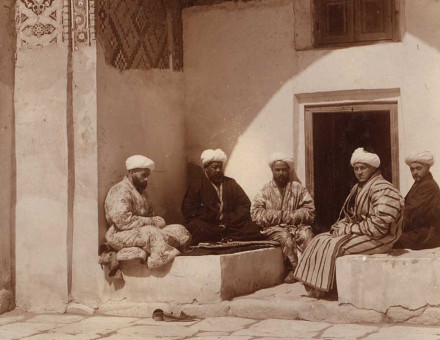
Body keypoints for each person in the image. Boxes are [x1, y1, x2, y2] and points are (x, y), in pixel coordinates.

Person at [294, 148, 404, 298]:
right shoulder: (359, 188)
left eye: (363, 168)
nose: (359, 172)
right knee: (320, 239)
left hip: (382, 238)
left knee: (334, 245)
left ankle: (325, 289)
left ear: (373, 168)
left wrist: (349, 228)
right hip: (365, 233)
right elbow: (352, 215)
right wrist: (341, 225)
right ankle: (314, 287)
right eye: (356, 168)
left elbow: (379, 228)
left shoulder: (383, 189)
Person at [104, 155, 191, 269]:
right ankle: (155, 262)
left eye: (147, 176)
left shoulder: (143, 194)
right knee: (153, 233)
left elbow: (153, 216)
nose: (146, 179)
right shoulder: (119, 190)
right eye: (143, 175)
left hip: (143, 230)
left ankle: (154, 251)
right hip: (120, 233)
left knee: (180, 230)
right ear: (132, 172)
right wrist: (152, 222)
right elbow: (123, 221)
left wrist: (156, 221)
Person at [251, 152, 315, 283]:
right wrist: (278, 216)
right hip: (272, 229)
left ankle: (311, 270)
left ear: (289, 170)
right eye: (277, 170)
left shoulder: (298, 188)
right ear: (272, 171)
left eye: (284, 170)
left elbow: (310, 211)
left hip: (295, 226)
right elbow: (255, 213)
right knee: (284, 236)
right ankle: (295, 270)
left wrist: (291, 217)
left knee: (307, 233)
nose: (281, 173)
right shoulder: (265, 190)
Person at [182, 148, 263, 245]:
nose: (218, 170)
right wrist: (214, 216)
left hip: (229, 224)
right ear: (206, 168)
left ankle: (223, 237)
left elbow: (244, 205)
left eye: (220, 167)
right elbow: (188, 209)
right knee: (197, 227)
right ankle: (224, 237)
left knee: (252, 228)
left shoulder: (231, 183)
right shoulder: (197, 184)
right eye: (215, 167)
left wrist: (228, 218)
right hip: (210, 224)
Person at [395, 151, 440, 250]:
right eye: (412, 169)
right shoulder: (420, 183)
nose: (415, 172)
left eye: (418, 168)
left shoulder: (429, 186)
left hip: (426, 235)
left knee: (388, 241)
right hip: (418, 231)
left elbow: (411, 212)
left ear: (427, 168)